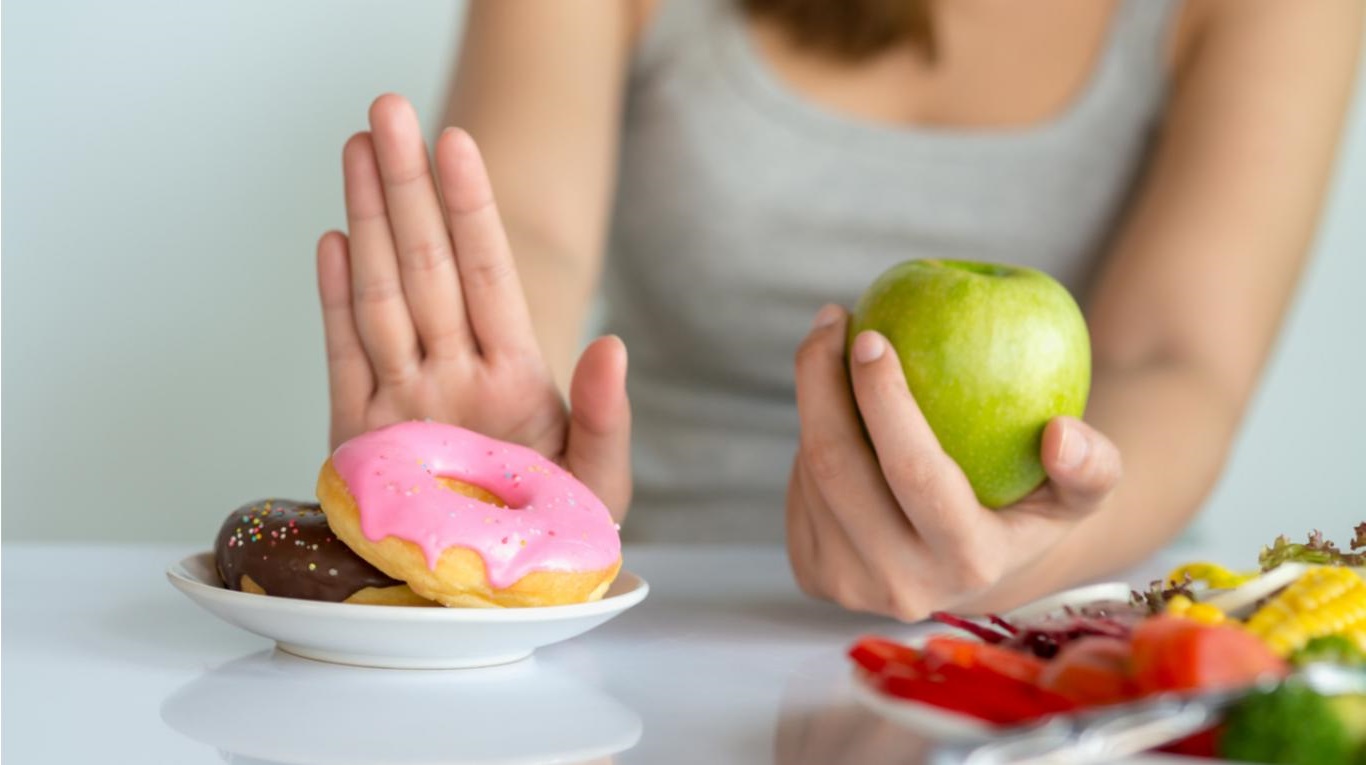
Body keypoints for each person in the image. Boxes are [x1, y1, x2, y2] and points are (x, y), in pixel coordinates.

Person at [313, 0, 1362, 620]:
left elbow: (1179, 355)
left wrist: (1026, 558)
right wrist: (493, 449)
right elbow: (527, 229)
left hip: (1066, 643)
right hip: (664, 630)